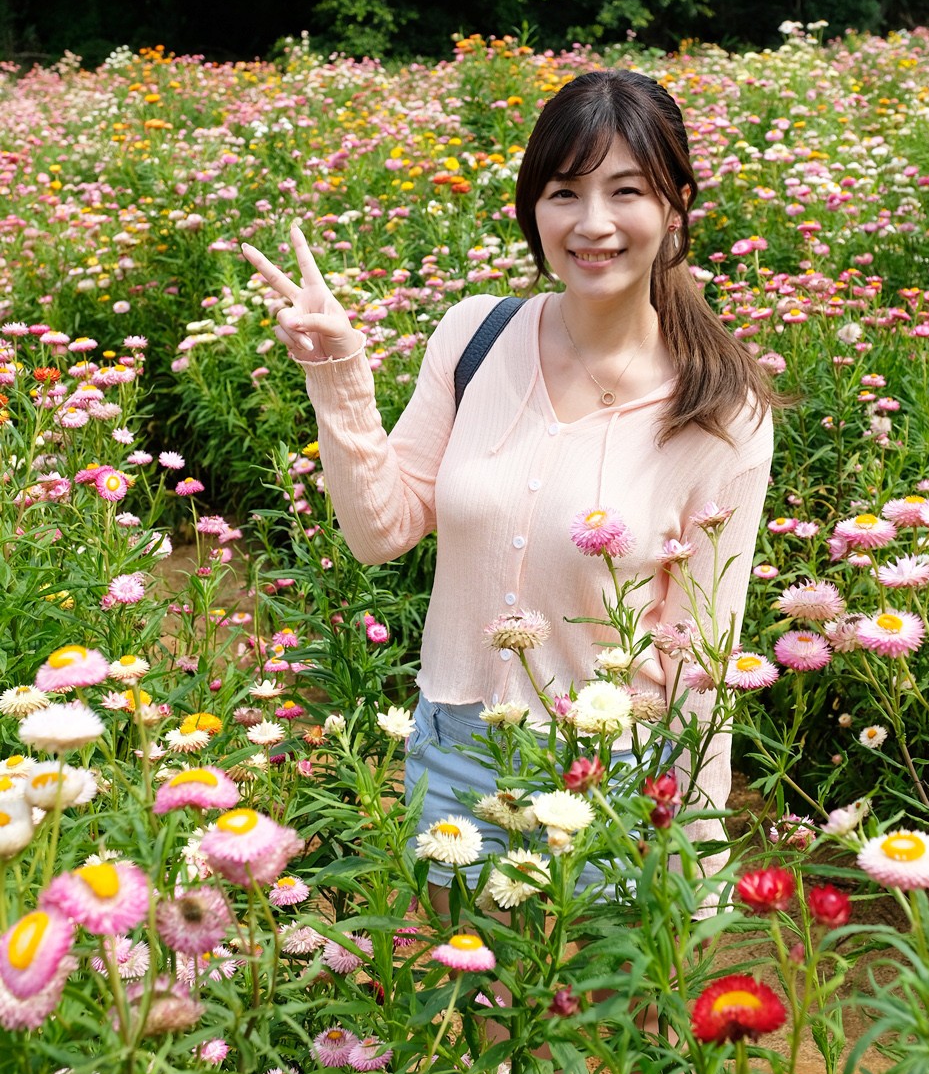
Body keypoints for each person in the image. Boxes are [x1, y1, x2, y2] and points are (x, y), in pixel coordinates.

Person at [240, 67, 777, 892]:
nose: (592, 223)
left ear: (675, 208)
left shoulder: (721, 412)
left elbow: (703, 661)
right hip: (454, 748)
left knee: (600, 1019)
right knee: (488, 1013)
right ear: (533, 206)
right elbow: (379, 532)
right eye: (565, 192)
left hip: (616, 773)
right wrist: (339, 372)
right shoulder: (475, 337)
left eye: (625, 191)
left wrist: (691, 865)